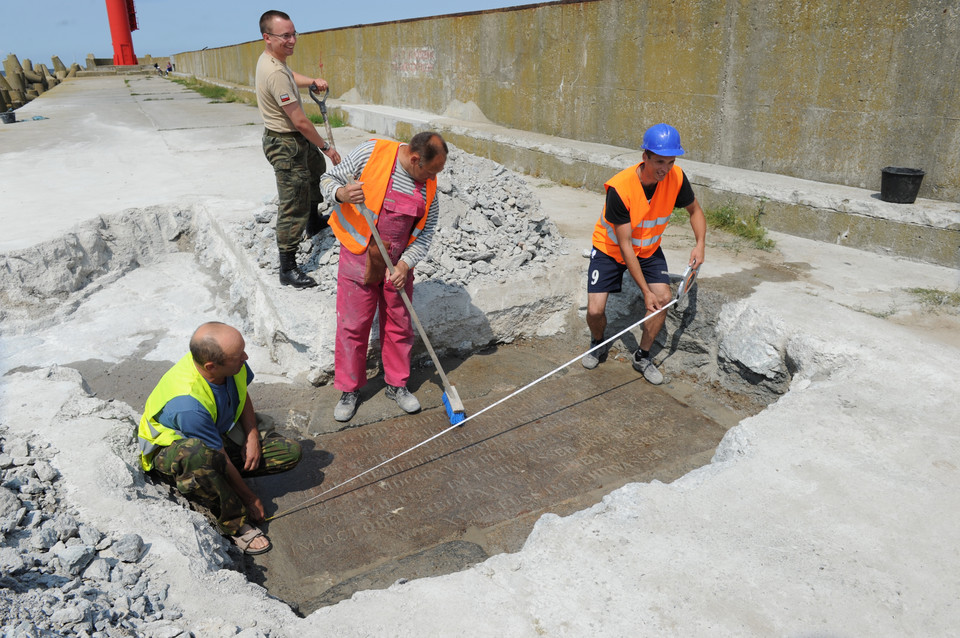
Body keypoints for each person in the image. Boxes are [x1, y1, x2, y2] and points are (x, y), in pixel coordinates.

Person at [137, 322, 302, 554]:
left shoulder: (232, 362)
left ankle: (217, 481)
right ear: (211, 366)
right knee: (198, 456)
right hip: (177, 452)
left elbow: (242, 393)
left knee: (289, 451)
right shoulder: (188, 405)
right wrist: (249, 497)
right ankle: (234, 522)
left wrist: (252, 435)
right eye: (239, 356)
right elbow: (220, 456)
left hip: (215, 433)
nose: (246, 356)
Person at [320, 132, 448, 422]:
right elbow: (327, 180)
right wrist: (341, 194)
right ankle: (350, 389)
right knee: (353, 325)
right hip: (359, 256)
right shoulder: (372, 153)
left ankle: (397, 384)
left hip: (398, 266)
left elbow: (426, 231)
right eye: (432, 170)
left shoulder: (428, 184)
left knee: (400, 325)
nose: (434, 177)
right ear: (415, 159)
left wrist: (405, 264)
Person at [582, 123, 706, 384]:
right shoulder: (619, 189)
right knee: (594, 311)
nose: (665, 168)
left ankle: (642, 356)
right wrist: (644, 291)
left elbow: (695, 211)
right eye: (659, 161)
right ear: (645, 157)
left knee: (663, 298)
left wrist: (700, 243)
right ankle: (598, 341)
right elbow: (625, 245)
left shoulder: (677, 177)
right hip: (611, 249)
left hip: (648, 248)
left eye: (671, 161)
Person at [255, 9, 342, 288]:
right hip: (285, 143)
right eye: (285, 36)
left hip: (295, 140)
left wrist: (312, 81)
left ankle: (314, 221)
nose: (292, 40)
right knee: (293, 200)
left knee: (315, 171)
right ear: (267, 37)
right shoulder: (273, 72)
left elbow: (290, 76)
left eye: (294, 33)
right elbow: (301, 121)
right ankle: (288, 268)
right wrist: (327, 146)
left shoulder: (274, 61)